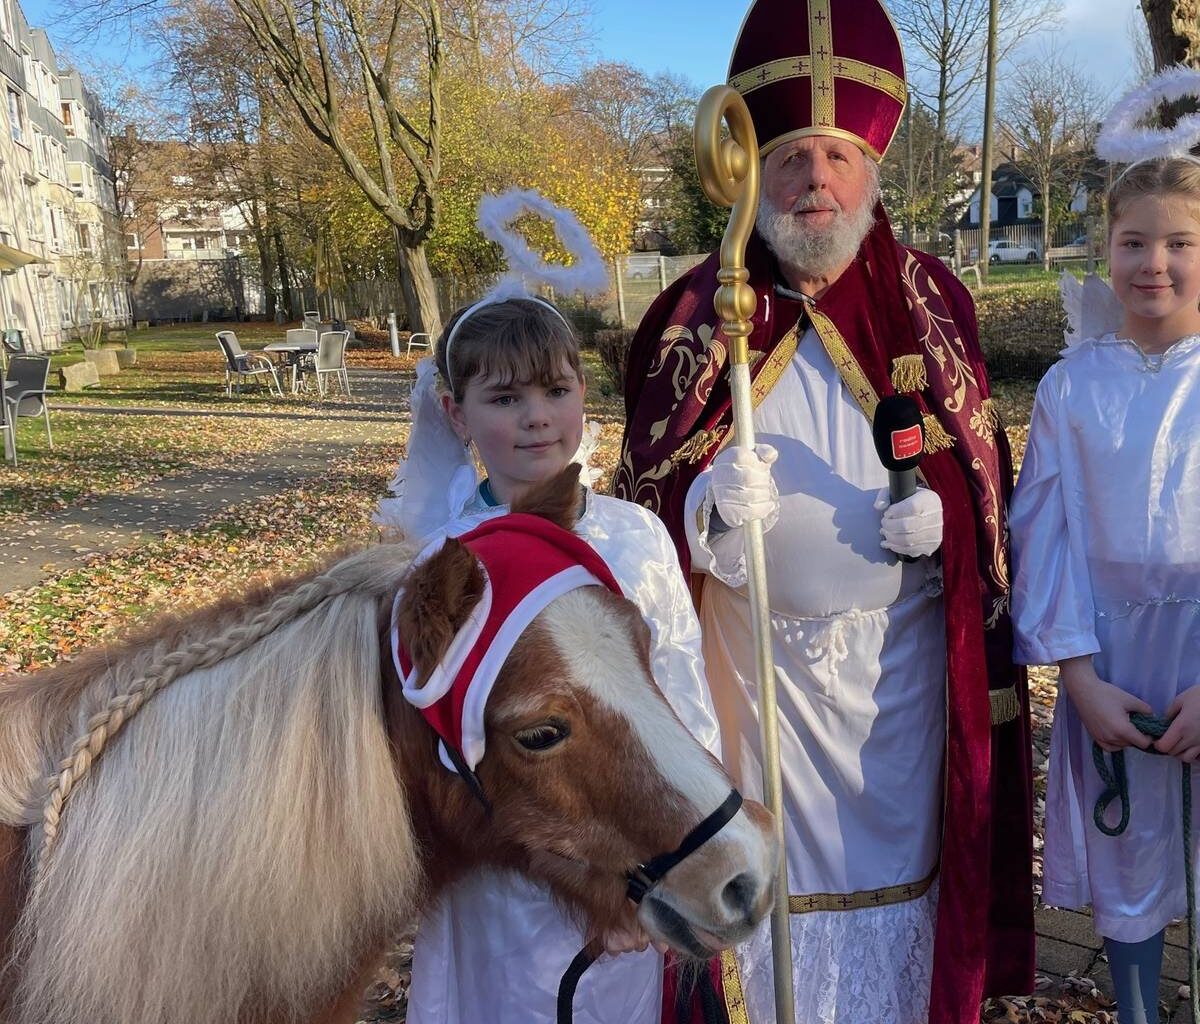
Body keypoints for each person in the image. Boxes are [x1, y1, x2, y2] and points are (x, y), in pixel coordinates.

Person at [615, 0, 1035, 1021]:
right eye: (792, 157)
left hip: (901, 690)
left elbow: (984, 486)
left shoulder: (931, 303)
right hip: (753, 694)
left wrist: (943, 531)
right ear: (754, 172)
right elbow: (640, 511)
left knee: (899, 914)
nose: (817, 180)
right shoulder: (697, 315)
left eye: (838, 156)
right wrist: (707, 511)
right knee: (767, 915)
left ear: (871, 169)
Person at [376, 294, 723, 1024]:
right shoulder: (443, 564)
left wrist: (670, 855)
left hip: (631, 848)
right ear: (457, 413)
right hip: (500, 884)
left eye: (555, 391)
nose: (537, 417)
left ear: (583, 393)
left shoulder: (636, 538)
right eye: (506, 398)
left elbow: (682, 698)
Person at [1010, 156, 1200, 1024]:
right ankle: (1137, 1011)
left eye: (1180, 243)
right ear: (1107, 249)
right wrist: (1078, 677)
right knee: (1131, 854)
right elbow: (1044, 533)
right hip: (1114, 658)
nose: (1153, 263)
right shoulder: (1071, 386)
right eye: (1134, 242)